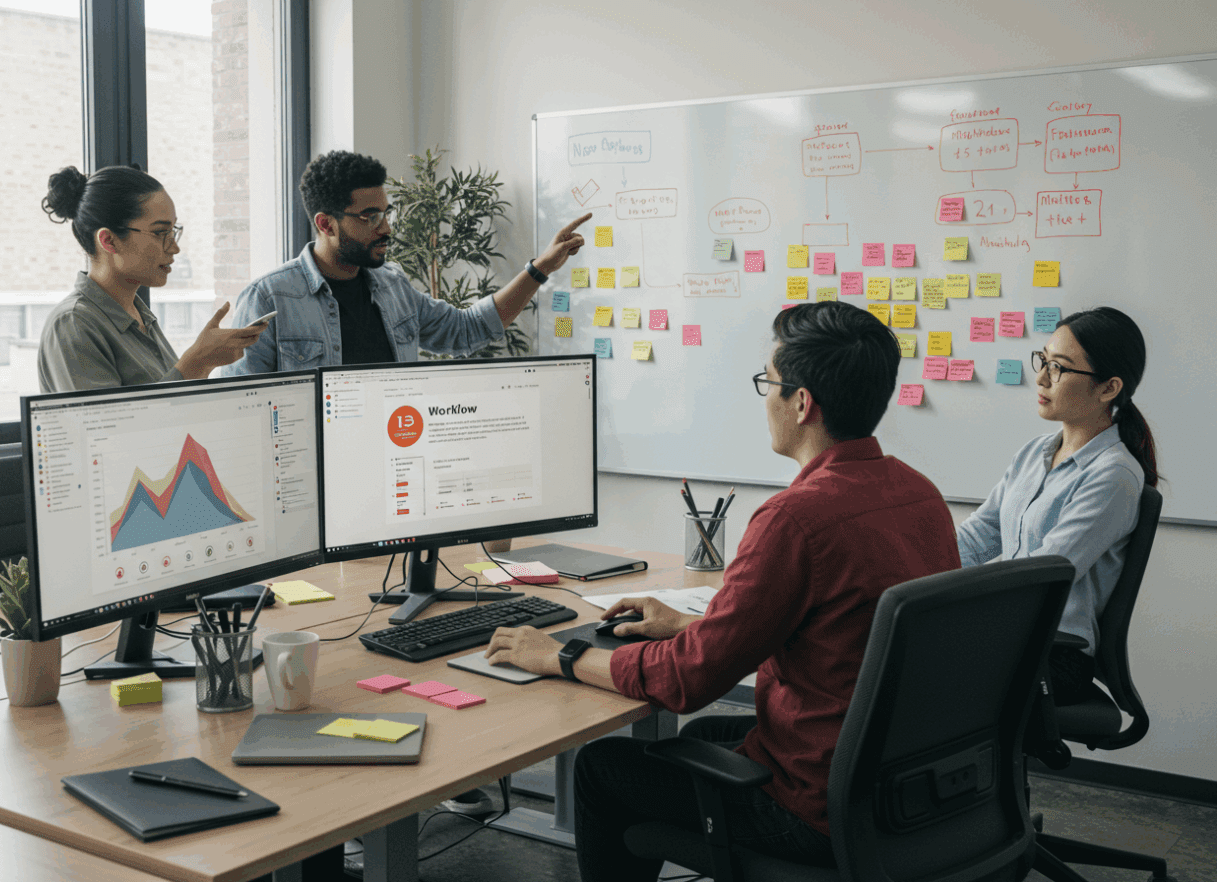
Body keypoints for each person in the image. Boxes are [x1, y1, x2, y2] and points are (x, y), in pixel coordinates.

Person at [484, 302, 961, 880]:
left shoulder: (795, 518)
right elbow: (841, 630)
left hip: (818, 809)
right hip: (900, 779)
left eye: (771, 384)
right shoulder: (919, 494)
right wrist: (691, 626)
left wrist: (560, 654)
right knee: (710, 736)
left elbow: (687, 680)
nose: (766, 399)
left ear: (803, 403)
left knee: (604, 766)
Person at [220, 150, 589, 375]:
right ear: (326, 223)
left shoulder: (392, 287)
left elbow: (466, 330)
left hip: (394, 471)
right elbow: (239, 409)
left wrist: (540, 269)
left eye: (386, 213)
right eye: (370, 218)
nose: (387, 228)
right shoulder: (270, 298)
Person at [958, 306, 1158, 705]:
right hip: (1007, 633)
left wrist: (950, 598)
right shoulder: (1036, 451)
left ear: (1108, 388)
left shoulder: (1114, 475)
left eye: (1060, 368)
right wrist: (919, 567)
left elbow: (1041, 574)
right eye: (1044, 360)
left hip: (1052, 653)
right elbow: (983, 533)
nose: (1041, 377)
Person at [38, 165, 265, 393]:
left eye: (173, 230)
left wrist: (204, 361)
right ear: (109, 241)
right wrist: (196, 362)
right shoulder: (74, 324)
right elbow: (110, 427)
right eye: (160, 233)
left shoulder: (139, 315)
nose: (174, 247)